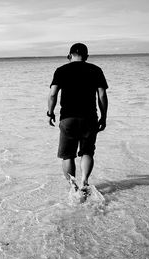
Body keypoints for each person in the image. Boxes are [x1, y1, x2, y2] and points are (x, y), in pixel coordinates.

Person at [47, 42, 108, 198]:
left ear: (69, 55)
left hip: (68, 118)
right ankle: (85, 182)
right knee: (87, 152)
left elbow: (53, 94)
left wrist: (50, 112)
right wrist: (104, 116)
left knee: (68, 155)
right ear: (86, 56)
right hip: (89, 118)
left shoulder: (61, 70)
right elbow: (102, 95)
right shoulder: (96, 70)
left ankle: (73, 187)